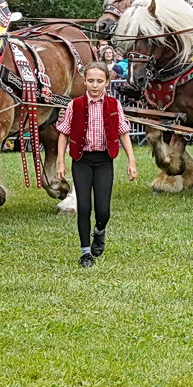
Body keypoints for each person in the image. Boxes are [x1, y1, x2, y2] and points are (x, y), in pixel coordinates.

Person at [53, 61, 137, 267]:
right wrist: (61, 161)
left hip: (104, 161)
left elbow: (123, 132)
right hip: (82, 160)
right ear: (84, 81)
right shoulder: (75, 105)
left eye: (99, 81)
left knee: (103, 210)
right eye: (90, 80)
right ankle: (85, 252)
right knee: (83, 206)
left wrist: (131, 160)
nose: (95, 85)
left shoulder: (114, 105)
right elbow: (63, 133)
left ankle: (99, 231)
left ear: (107, 82)